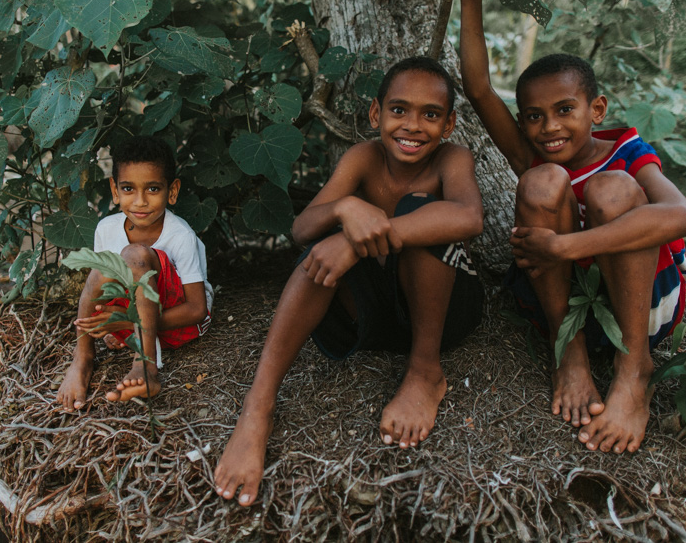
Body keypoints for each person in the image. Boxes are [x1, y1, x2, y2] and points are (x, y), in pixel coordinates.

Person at [438, 0, 686, 454]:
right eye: (533, 116)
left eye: (564, 110)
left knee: (613, 190)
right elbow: (479, 87)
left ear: (595, 110)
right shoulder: (536, 158)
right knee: (541, 182)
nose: (547, 127)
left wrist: (564, 247)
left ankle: (633, 372)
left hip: (643, 310)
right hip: (573, 310)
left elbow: (679, 215)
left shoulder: (628, 150)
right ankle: (569, 355)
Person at [214, 56, 485, 506]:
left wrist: (358, 242)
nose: (413, 126)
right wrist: (344, 211)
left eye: (431, 114)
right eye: (399, 110)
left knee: (419, 210)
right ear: (376, 114)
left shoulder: (452, 160)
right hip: (376, 314)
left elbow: (468, 217)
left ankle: (424, 372)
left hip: (444, 311)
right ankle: (257, 408)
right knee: (316, 254)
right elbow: (303, 229)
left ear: (450, 123)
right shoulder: (362, 158)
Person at [55, 136, 213, 411]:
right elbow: (96, 287)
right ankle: (82, 358)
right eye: (128, 188)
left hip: (179, 324)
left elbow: (197, 310)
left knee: (134, 255)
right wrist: (120, 322)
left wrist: (126, 323)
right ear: (115, 191)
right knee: (102, 269)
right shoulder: (106, 228)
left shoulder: (180, 236)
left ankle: (146, 366)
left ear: (172, 191)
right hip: (135, 317)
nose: (140, 202)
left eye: (153, 189)